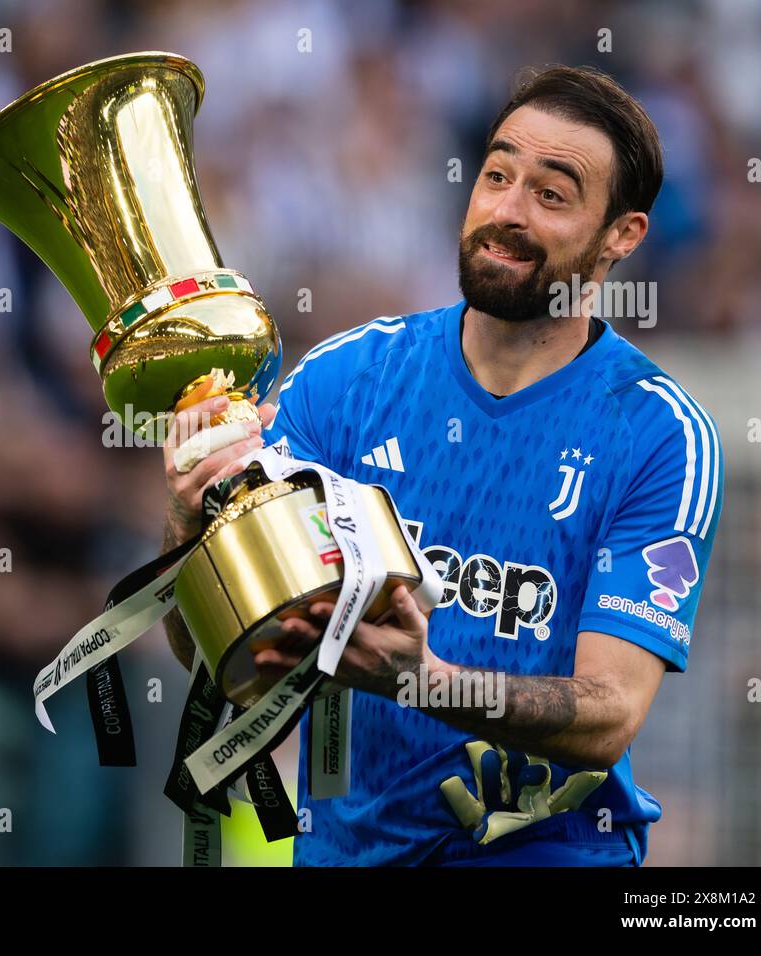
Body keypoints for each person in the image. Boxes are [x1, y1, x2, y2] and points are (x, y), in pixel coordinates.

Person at [161, 65, 723, 866]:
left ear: (622, 236)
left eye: (552, 194)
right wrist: (190, 517)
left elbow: (609, 715)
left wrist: (426, 681)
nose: (507, 211)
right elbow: (217, 656)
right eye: (496, 176)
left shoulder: (660, 435)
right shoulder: (344, 382)